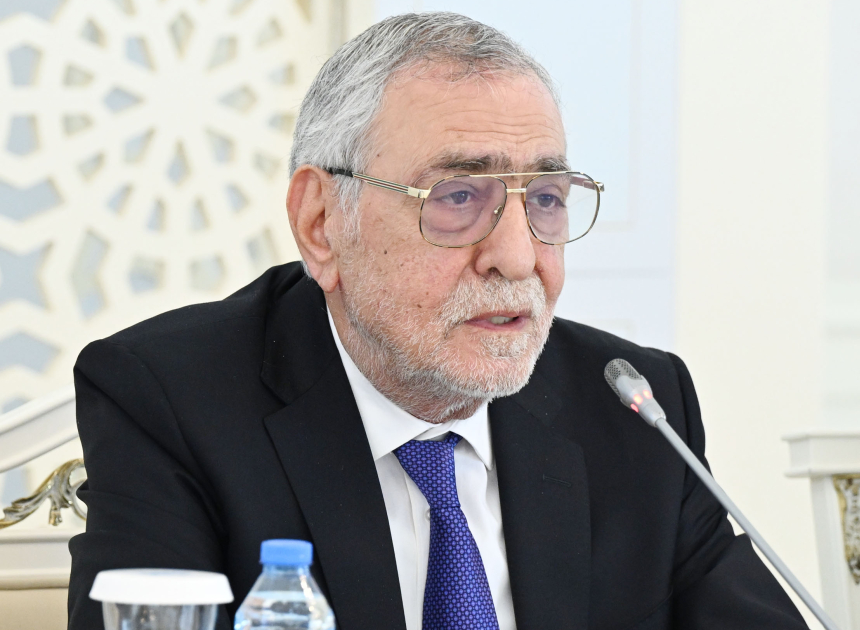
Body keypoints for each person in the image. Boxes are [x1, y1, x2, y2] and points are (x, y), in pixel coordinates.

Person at [68, 12, 809, 630]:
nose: (516, 258)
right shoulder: (170, 401)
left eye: (545, 199)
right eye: (458, 197)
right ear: (322, 224)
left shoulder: (633, 408)